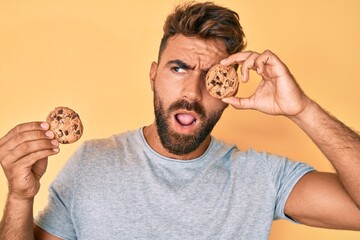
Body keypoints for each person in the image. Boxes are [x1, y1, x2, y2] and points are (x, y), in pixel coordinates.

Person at [0, 1, 359, 239]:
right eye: (179, 68)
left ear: (229, 89)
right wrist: (19, 197)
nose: (192, 90)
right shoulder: (91, 164)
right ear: (154, 75)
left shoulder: (261, 178)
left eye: (211, 76)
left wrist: (302, 109)